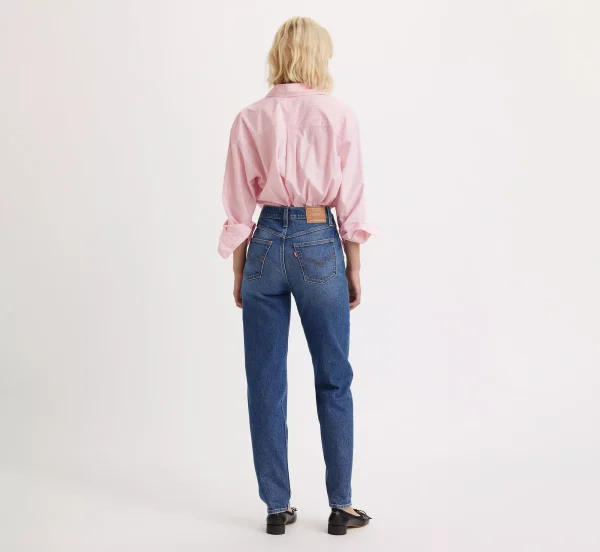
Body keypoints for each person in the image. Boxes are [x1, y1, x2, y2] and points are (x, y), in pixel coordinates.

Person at [218, 16, 375, 536]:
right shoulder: (337, 114)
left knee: (265, 379)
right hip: (317, 241)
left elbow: (238, 201)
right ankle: (341, 505)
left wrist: (240, 269)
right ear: (318, 57)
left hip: (263, 242)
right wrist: (354, 264)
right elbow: (351, 195)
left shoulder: (249, 117)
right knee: (334, 376)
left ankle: (275, 506)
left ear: (279, 55)